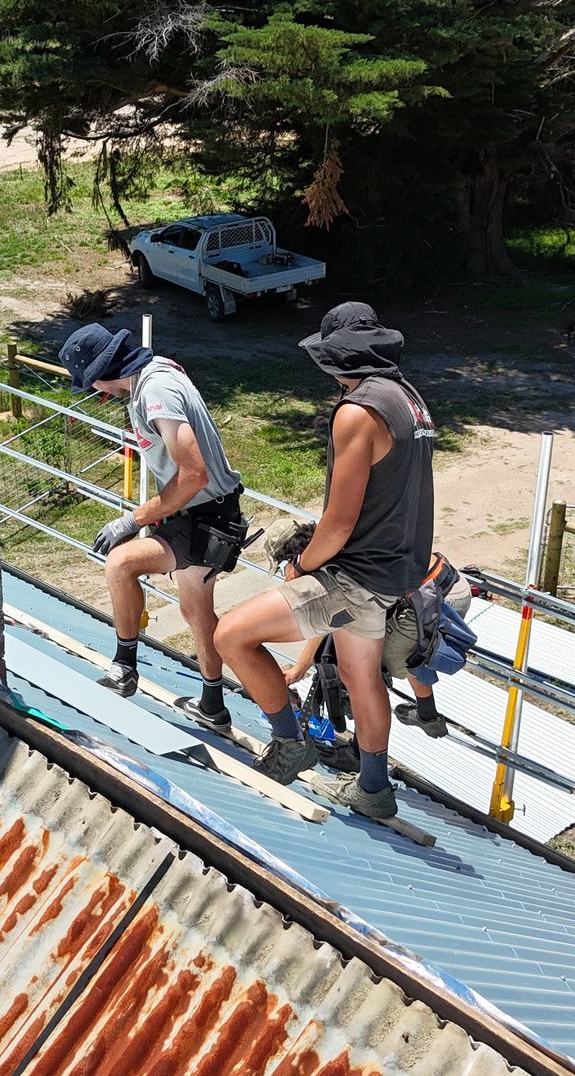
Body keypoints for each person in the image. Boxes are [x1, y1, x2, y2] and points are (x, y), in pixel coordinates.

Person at [215, 302, 436, 820]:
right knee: (363, 678)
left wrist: (304, 564)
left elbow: (338, 523)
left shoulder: (358, 411)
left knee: (231, 635)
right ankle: (374, 790)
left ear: (336, 361)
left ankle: (291, 742)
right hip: (395, 570)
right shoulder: (410, 399)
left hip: (353, 574)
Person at [58, 323, 246, 728]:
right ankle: (213, 705)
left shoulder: (154, 392)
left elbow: (193, 474)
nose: (96, 393)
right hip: (213, 513)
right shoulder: (157, 372)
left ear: (104, 372)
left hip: (204, 515)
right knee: (196, 611)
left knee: (121, 563)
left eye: (93, 383)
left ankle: (124, 668)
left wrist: (132, 519)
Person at [280, 551, 475, 739]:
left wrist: (299, 668)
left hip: (433, 600)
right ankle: (426, 713)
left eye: (285, 573)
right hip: (450, 585)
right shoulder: (335, 545)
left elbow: (326, 623)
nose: (286, 581)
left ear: (295, 561)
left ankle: (362, 750)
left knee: (369, 669)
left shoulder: (334, 564)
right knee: (404, 648)